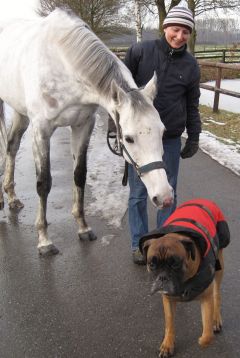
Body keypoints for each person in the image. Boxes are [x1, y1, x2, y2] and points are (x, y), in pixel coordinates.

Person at [124, 6, 202, 264]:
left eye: (185, 32)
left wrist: (194, 136)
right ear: (165, 28)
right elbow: (120, 97)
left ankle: (164, 242)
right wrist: (117, 130)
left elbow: (192, 104)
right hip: (141, 139)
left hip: (168, 139)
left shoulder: (191, 65)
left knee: (168, 193)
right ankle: (138, 243)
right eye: (176, 29)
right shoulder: (140, 52)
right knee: (138, 194)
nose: (180, 36)